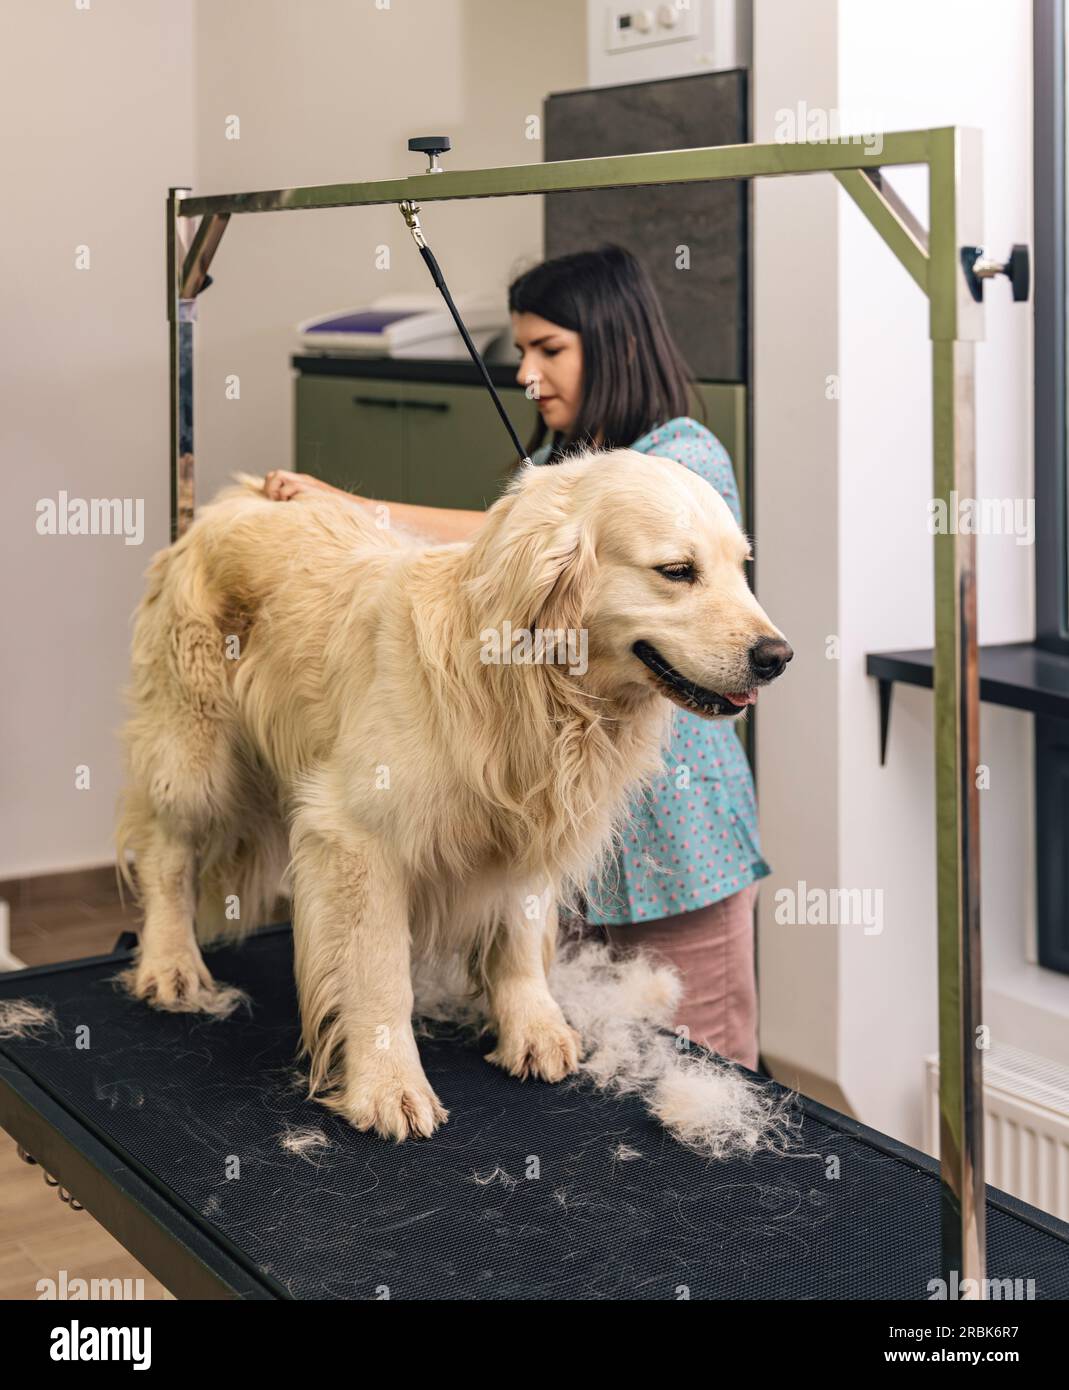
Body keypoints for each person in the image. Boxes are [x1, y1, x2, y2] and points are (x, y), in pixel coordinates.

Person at [265, 245, 770, 1070]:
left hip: (672, 851)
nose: (528, 375)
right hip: (550, 841)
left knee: (698, 1068)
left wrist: (357, 505)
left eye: (550, 349)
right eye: (521, 352)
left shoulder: (678, 465)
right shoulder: (559, 473)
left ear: (618, 344)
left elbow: (504, 536)